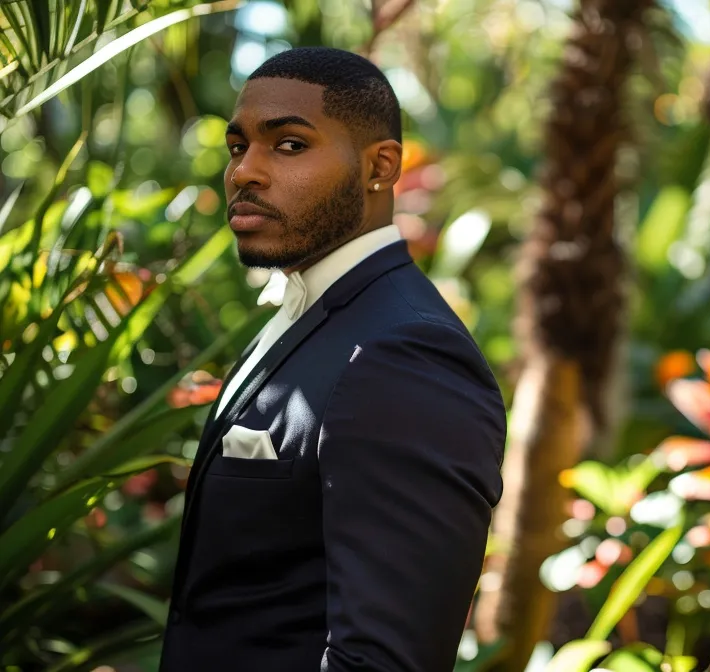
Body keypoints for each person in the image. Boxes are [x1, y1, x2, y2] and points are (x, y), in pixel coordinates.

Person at [159, 46, 506, 671]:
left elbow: (384, 661)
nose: (245, 172)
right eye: (238, 147)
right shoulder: (305, 312)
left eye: (288, 145)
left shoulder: (406, 354)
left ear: (380, 166)